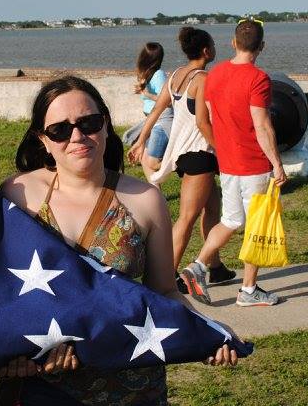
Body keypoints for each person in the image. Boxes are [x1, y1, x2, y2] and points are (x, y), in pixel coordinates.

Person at [0, 76, 240, 406]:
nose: (77, 136)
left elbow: (163, 289)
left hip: (133, 389)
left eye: (89, 123)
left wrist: (209, 329)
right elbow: (2, 292)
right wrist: (14, 354)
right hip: (51, 387)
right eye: (60, 130)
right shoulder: (18, 196)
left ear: (106, 125)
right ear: (43, 139)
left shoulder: (144, 200)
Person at [180, 18, 287, 307]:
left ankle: (198, 267)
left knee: (230, 220)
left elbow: (213, 116)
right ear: (261, 46)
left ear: (233, 43)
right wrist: (276, 163)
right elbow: (262, 126)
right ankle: (248, 290)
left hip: (227, 163)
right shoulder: (258, 79)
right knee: (255, 226)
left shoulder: (214, 75)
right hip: (253, 163)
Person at [128, 27, 236, 294]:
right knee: (187, 217)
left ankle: (216, 267)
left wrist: (141, 139)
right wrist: (222, 150)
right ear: (206, 51)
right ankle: (164, 280)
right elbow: (202, 123)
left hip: (185, 153)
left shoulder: (176, 75)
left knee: (212, 208)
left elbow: (156, 109)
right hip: (200, 153)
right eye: (212, 44)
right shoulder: (203, 79)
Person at [123, 42, 174, 180]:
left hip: (161, 120)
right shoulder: (147, 74)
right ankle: (155, 191)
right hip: (151, 119)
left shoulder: (159, 75)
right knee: (144, 159)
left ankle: (180, 162)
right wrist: (142, 90)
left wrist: (147, 94)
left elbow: (168, 101)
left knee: (152, 162)